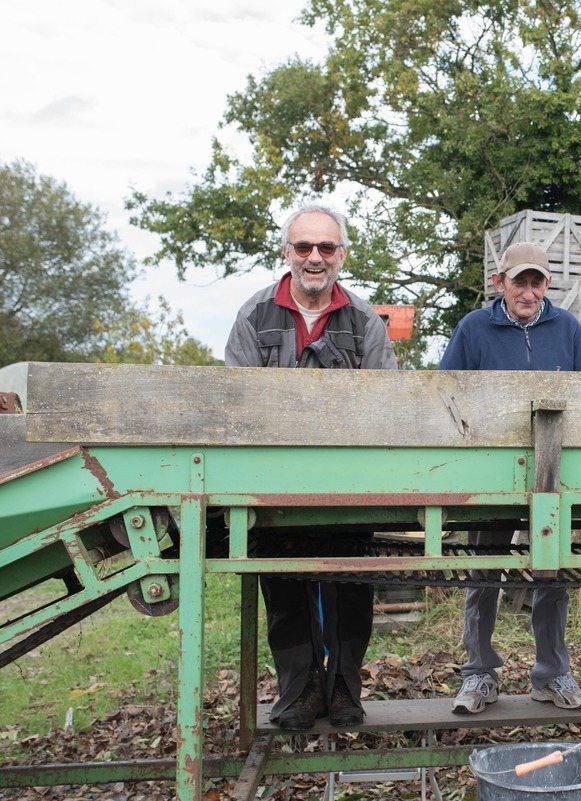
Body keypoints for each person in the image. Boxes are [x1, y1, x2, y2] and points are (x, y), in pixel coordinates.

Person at [225, 203, 398, 729]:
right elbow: (234, 401)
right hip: (275, 486)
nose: (315, 258)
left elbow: (387, 405)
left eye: (326, 247)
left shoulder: (365, 320)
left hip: (349, 485)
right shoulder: (255, 315)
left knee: (351, 585)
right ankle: (298, 692)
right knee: (284, 585)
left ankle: (345, 689)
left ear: (341, 255)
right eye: (304, 247)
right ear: (287, 253)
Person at [438, 241, 581, 714]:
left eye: (537, 282)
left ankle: (551, 673)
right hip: (490, 472)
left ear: (548, 284)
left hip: (552, 471)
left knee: (552, 571)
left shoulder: (566, 327)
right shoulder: (474, 328)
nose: (528, 292)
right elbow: (447, 394)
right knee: (483, 569)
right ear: (499, 282)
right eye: (518, 281)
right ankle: (479, 675)